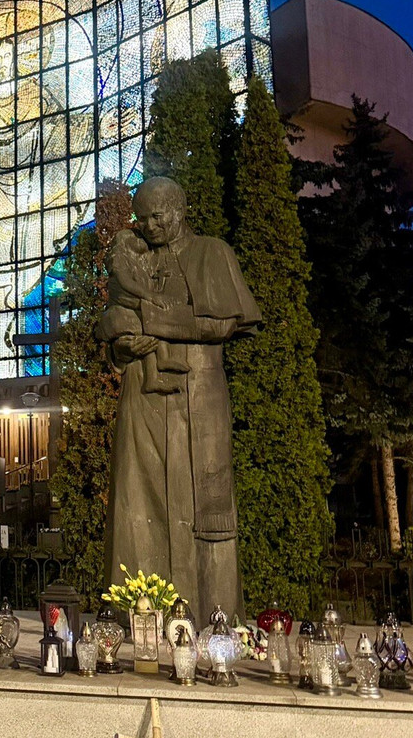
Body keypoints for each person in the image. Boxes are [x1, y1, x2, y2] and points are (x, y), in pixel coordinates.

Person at [98, 177, 261, 623]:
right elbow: (113, 326)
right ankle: (141, 614)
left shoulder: (212, 252)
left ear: (181, 208)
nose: (149, 225)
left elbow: (221, 323)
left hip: (199, 395)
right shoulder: (136, 263)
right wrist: (122, 345)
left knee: (206, 506)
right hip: (143, 396)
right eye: (143, 217)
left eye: (158, 215)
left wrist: (148, 318)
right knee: (138, 501)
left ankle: (215, 618)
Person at [101, 227, 192, 394]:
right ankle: (155, 372)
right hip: (137, 392)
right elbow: (111, 321)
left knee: (153, 322)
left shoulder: (201, 253)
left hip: (193, 391)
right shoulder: (122, 259)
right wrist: (119, 350)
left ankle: (162, 361)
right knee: (149, 324)